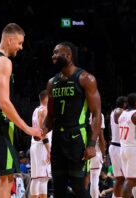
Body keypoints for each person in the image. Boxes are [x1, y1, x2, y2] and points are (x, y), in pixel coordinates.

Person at [0, 23, 42, 198]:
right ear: (10, 39)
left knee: (3, 177)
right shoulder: (4, 62)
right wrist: (28, 129)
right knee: (7, 179)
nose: (20, 48)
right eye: (19, 43)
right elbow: (3, 103)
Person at [42, 41, 102, 198]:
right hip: (58, 138)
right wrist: (41, 129)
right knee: (58, 188)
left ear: (68, 56)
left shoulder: (85, 78)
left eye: (57, 53)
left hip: (77, 136)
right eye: (53, 53)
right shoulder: (51, 82)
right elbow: (50, 115)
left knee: (78, 187)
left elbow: (96, 114)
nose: (53, 56)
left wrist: (91, 144)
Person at [30, 90, 52, 198]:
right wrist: (49, 150)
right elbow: (43, 132)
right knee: (40, 179)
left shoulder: (36, 110)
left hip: (35, 144)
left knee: (41, 178)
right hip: (41, 145)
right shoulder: (45, 110)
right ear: (47, 98)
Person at [108, 96, 127, 198]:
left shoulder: (116, 111)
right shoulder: (119, 111)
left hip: (116, 146)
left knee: (120, 178)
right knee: (123, 178)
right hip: (118, 147)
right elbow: (118, 120)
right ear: (124, 103)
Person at [88, 113, 106, 198]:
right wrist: (104, 154)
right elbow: (101, 136)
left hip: (81, 149)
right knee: (94, 179)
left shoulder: (80, 112)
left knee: (85, 180)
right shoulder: (98, 115)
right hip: (94, 149)